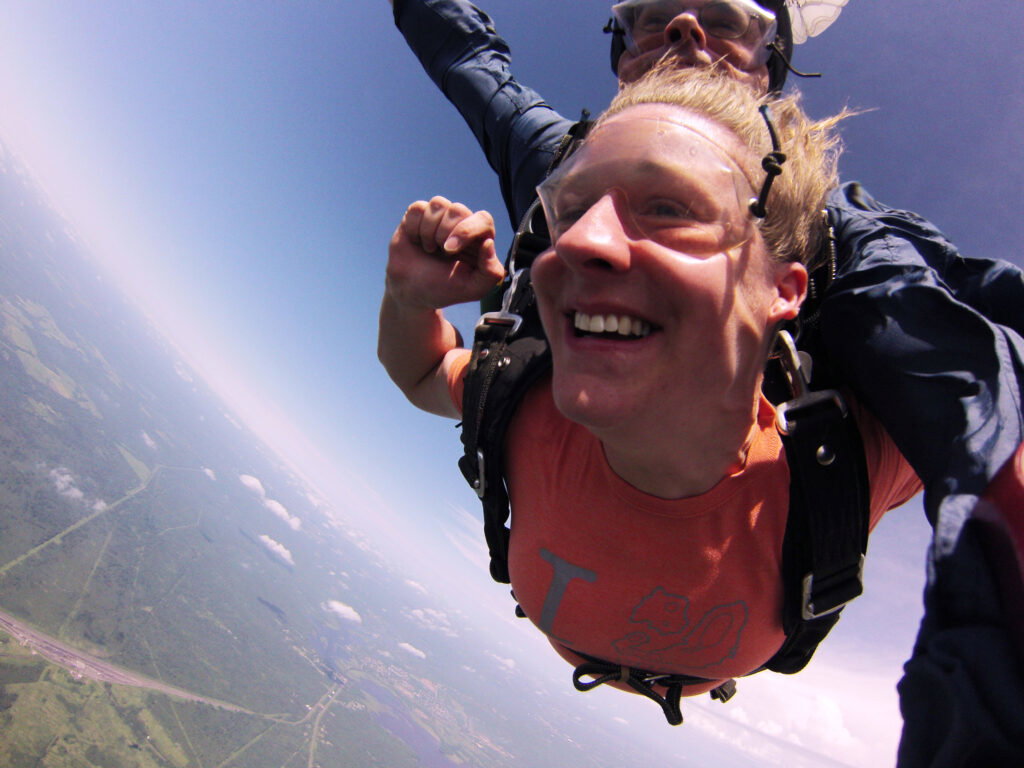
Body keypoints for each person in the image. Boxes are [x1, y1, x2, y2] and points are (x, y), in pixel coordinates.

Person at [389, 1, 1024, 761]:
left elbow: (975, 394)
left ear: (770, 63)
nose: (685, 29)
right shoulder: (533, 374)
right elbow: (466, 64)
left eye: (728, 17)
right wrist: (409, 300)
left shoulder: (844, 278)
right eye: (653, 15)